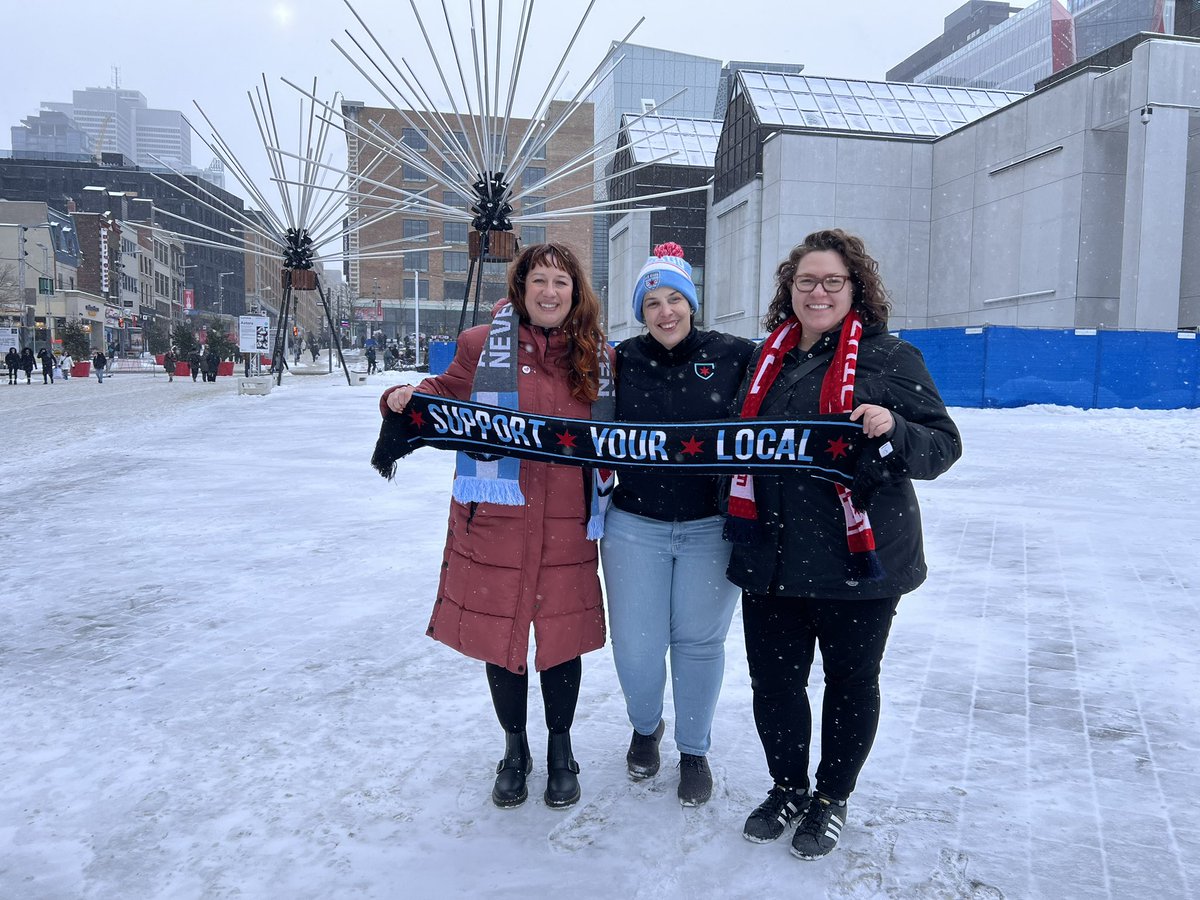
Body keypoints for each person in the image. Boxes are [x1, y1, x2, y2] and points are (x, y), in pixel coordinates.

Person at [729, 229, 961, 860]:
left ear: (855, 287)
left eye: (833, 280)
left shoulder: (888, 358)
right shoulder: (764, 359)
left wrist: (896, 428)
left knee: (850, 681)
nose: (819, 291)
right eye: (806, 281)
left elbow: (943, 445)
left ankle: (830, 797)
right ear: (790, 288)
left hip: (858, 560)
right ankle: (786, 786)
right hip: (770, 554)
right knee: (775, 684)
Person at [380, 242, 611, 811]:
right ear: (521, 288)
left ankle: (561, 750)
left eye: (561, 282)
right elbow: (443, 393)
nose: (550, 292)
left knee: (561, 639)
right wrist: (402, 397)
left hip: (567, 523)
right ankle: (515, 749)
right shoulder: (481, 347)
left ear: (575, 292)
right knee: (500, 638)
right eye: (539, 281)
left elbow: (630, 426)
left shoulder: (597, 357)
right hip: (495, 518)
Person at [599, 242, 754, 807]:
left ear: (693, 302)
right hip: (633, 525)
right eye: (652, 303)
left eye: (675, 299)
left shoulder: (736, 354)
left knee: (698, 643)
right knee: (637, 648)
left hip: (710, 528)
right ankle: (646, 728)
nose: (665, 312)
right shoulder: (619, 359)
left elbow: (794, 394)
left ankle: (694, 750)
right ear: (640, 313)